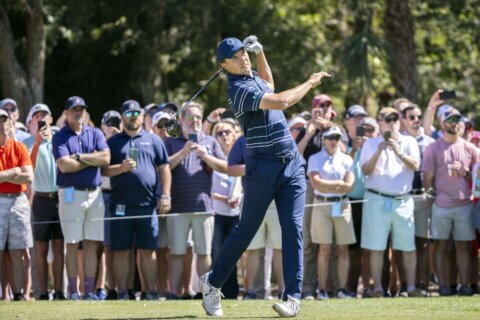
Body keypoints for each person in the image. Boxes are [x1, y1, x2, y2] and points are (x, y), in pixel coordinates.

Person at [200, 35, 330, 318]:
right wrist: (310, 83)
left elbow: (269, 84)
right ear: (224, 66)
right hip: (262, 167)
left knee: (293, 227)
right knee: (246, 230)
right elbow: (281, 100)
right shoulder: (238, 89)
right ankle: (211, 283)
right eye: (236, 57)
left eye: (244, 53)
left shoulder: (254, 78)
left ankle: (293, 296)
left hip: (292, 164)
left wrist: (261, 53)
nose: (243, 58)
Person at [103, 100, 171, 300]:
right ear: (122, 117)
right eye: (129, 114)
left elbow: (164, 167)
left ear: (142, 116)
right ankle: (123, 292)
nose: (133, 118)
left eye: (136, 114)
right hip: (120, 205)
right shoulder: (113, 142)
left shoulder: (153, 140)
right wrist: (120, 168)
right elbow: (103, 170)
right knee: (121, 250)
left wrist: (165, 195)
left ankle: (149, 292)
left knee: (148, 250)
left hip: (147, 204)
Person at [164, 102, 227, 299]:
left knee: (204, 252)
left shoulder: (210, 141)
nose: (195, 121)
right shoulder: (172, 142)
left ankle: (206, 293)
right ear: (182, 121)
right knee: (176, 252)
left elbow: (225, 167)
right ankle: (173, 293)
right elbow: (164, 167)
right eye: (191, 117)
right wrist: (184, 152)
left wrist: (206, 156)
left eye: (198, 117)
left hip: (204, 206)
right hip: (177, 207)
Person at [52, 96, 110, 300]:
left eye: (82, 109)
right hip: (70, 194)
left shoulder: (94, 132)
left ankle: (89, 291)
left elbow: (105, 157)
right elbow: (64, 165)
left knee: (92, 244)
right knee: (72, 243)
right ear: (66, 113)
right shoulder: (60, 137)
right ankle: (74, 291)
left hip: (94, 194)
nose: (79, 113)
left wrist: (79, 157)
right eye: (74, 110)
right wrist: (90, 158)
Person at [359, 107, 421, 298]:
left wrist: (399, 152)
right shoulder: (371, 144)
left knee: (408, 247)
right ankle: (378, 288)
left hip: (403, 200)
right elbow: (366, 171)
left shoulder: (409, 141)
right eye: (387, 119)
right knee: (376, 247)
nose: (392, 122)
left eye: (395, 119)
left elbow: (416, 165)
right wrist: (378, 151)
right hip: (376, 199)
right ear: (380, 122)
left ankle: (410, 288)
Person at [422, 108, 478, 296]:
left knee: (464, 246)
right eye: (450, 119)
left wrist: (465, 173)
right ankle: (443, 286)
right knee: (440, 245)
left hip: (464, 204)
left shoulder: (471, 149)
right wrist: (432, 198)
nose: (454, 123)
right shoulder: (433, 148)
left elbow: (477, 180)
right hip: (441, 205)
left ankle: (465, 286)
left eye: (457, 119)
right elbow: (427, 177)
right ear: (442, 123)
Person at [23, 104, 66, 301]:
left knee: (59, 245)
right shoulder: (27, 142)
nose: (41, 119)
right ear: (32, 121)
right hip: (40, 199)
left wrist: (50, 140)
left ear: (50, 119)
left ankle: (58, 291)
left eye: (45, 116)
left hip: (60, 198)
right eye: (37, 116)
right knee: (41, 248)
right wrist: (39, 143)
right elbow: (29, 170)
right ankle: (42, 293)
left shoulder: (58, 137)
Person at [307, 125, 356, 300]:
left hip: (342, 206)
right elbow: (316, 183)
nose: (334, 141)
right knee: (324, 249)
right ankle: (322, 290)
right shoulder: (314, 158)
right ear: (323, 140)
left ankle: (342, 289)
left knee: (343, 249)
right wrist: (338, 184)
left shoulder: (346, 159)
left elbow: (349, 186)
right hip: (322, 205)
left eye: (337, 138)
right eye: (330, 137)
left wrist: (329, 184)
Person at [401, 103, 435, 296]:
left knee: (422, 243)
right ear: (404, 120)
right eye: (411, 117)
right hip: (403, 197)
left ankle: (424, 285)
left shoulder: (429, 142)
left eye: (418, 117)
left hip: (422, 196)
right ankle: (406, 285)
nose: (416, 120)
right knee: (403, 244)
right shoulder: (400, 140)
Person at [0, 108, 34, 301]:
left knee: (18, 250)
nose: (2, 124)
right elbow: (20, 173)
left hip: (19, 200)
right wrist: (14, 171)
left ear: (11, 123)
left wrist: (5, 175)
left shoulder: (19, 147)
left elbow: (28, 176)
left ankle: (19, 294)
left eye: (5, 120)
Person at [210, 119, 242, 299]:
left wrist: (236, 195)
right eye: (219, 133)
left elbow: (241, 179)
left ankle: (232, 292)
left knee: (233, 253)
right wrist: (224, 198)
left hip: (235, 212)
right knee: (217, 253)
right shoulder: (213, 157)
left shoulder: (239, 154)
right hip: (217, 212)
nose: (224, 136)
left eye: (227, 132)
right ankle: (215, 290)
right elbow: (207, 188)